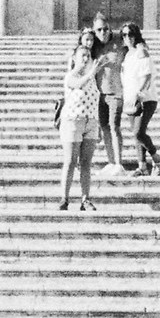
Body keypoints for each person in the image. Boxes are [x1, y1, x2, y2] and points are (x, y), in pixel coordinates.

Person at [56, 31, 103, 212]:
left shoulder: (92, 78)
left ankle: (85, 199)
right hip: (73, 121)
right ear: (74, 58)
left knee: (86, 163)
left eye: (88, 55)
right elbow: (79, 84)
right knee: (70, 161)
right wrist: (91, 72)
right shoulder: (71, 76)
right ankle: (64, 198)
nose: (86, 58)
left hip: (90, 122)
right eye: (82, 55)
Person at [121, 24, 160, 176]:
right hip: (130, 99)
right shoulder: (127, 55)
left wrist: (139, 93)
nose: (127, 38)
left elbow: (148, 75)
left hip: (145, 99)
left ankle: (156, 158)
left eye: (130, 34)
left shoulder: (141, 51)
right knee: (136, 134)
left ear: (136, 35)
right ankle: (142, 166)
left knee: (138, 133)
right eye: (124, 35)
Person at [94, 20, 128, 173]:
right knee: (104, 127)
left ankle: (119, 163)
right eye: (99, 30)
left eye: (105, 29)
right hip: (100, 94)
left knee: (114, 126)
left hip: (116, 93)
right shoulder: (94, 47)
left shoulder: (119, 44)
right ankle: (111, 161)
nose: (103, 32)